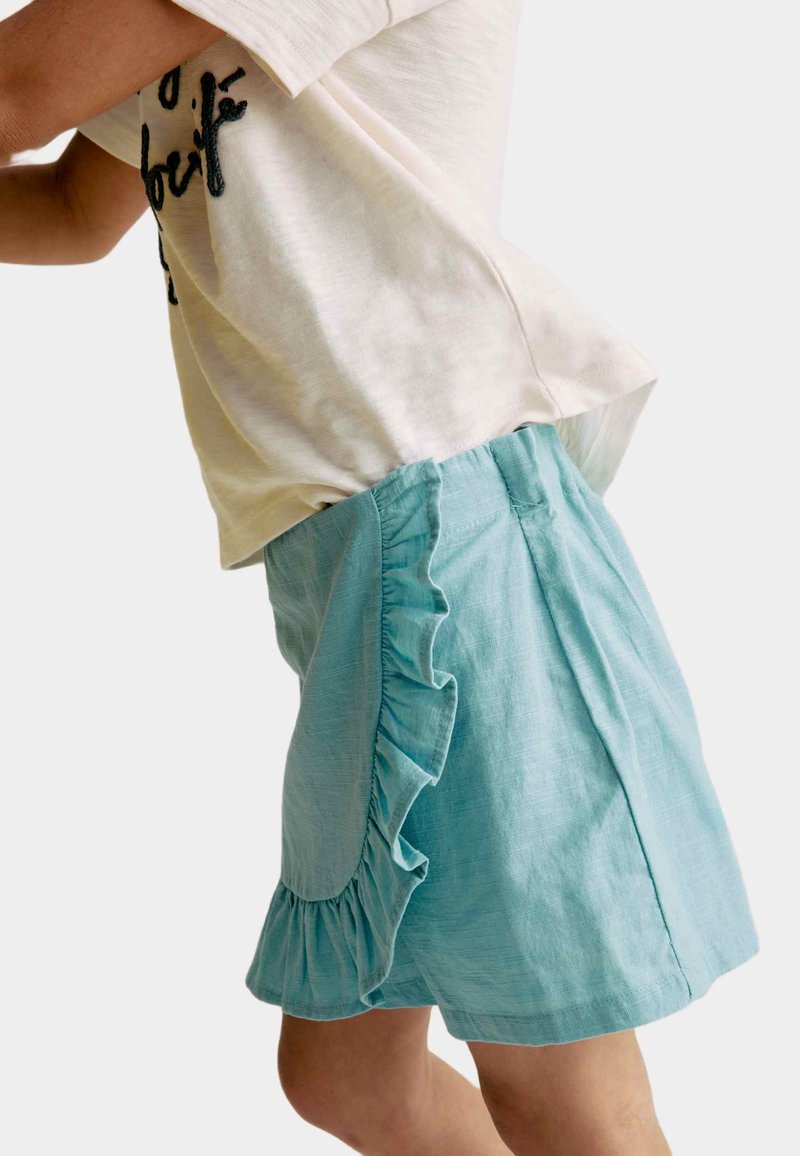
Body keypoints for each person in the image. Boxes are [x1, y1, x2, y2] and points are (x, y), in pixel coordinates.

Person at [0, 2, 759, 1152]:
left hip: (449, 542)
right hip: (347, 559)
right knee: (346, 1075)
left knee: (563, 1097)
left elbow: (16, 91)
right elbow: (72, 206)